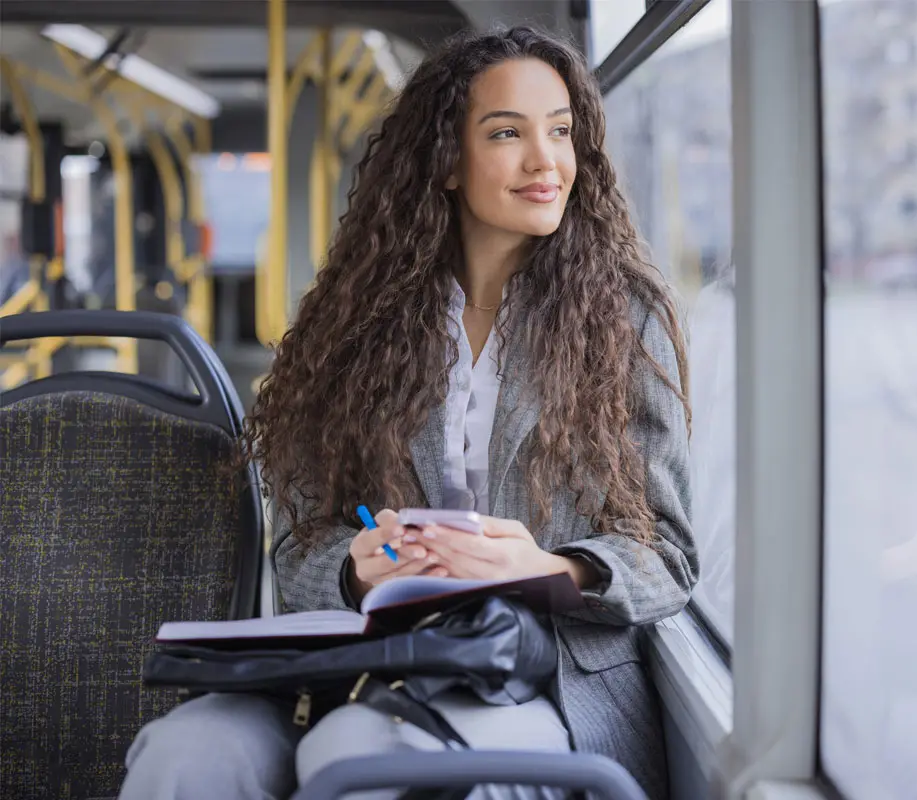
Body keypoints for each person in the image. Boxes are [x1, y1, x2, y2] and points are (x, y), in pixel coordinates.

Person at [118, 24, 697, 800]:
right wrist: (359, 566)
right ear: (448, 161)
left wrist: (548, 567)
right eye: (507, 134)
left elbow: (669, 556)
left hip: (535, 669)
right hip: (359, 658)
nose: (546, 162)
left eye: (561, 133)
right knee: (185, 754)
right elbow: (301, 542)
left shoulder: (625, 318)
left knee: (361, 755)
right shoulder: (360, 320)